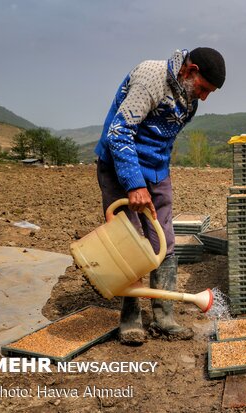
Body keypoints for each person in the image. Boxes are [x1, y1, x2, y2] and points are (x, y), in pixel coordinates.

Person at [94, 47, 225, 345]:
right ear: (190, 70)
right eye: (203, 88)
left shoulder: (188, 99)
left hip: (156, 170)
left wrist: (154, 180)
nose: (203, 97)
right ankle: (130, 319)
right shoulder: (150, 78)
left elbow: (161, 141)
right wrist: (134, 184)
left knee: (163, 240)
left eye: (209, 93)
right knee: (131, 243)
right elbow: (120, 132)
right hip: (119, 165)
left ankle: (164, 317)